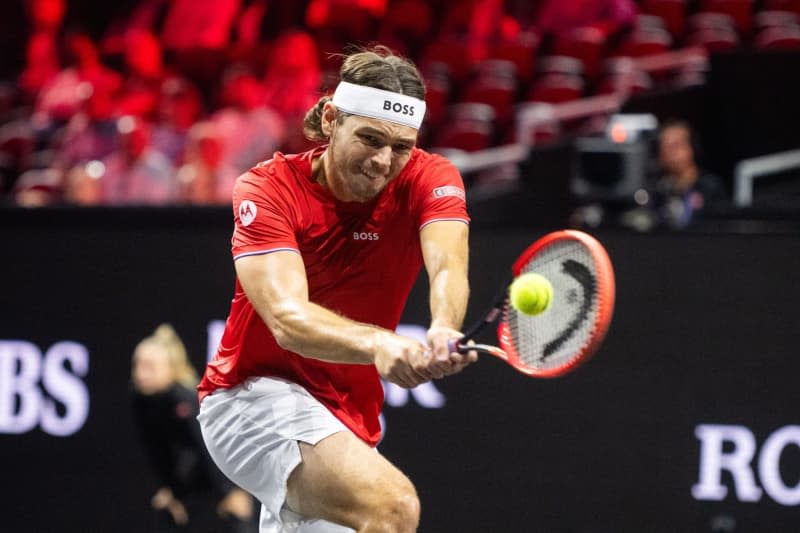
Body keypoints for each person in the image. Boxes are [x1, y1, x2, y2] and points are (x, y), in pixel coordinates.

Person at [197, 46, 477, 532]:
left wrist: (443, 329)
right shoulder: (269, 188)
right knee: (393, 508)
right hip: (252, 398)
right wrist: (377, 342)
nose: (383, 161)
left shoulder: (429, 178)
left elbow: (448, 265)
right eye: (369, 139)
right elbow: (287, 319)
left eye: (401, 147)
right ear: (330, 119)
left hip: (346, 416)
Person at [131, 324, 256, 532]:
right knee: (167, 511)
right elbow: (155, 450)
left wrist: (231, 491)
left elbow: (208, 446)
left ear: (170, 369)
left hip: (226, 469)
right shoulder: (139, 399)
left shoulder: (185, 399)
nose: (140, 374)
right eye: (137, 365)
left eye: (149, 367)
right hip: (194, 476)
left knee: (240, 520)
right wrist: (172, 489)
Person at [651, 119, 726, 229]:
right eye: (664, 147)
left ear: (692, 148)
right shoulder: (656, 191)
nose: (669, 153)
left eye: (675, 146)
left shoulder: (710, 187)